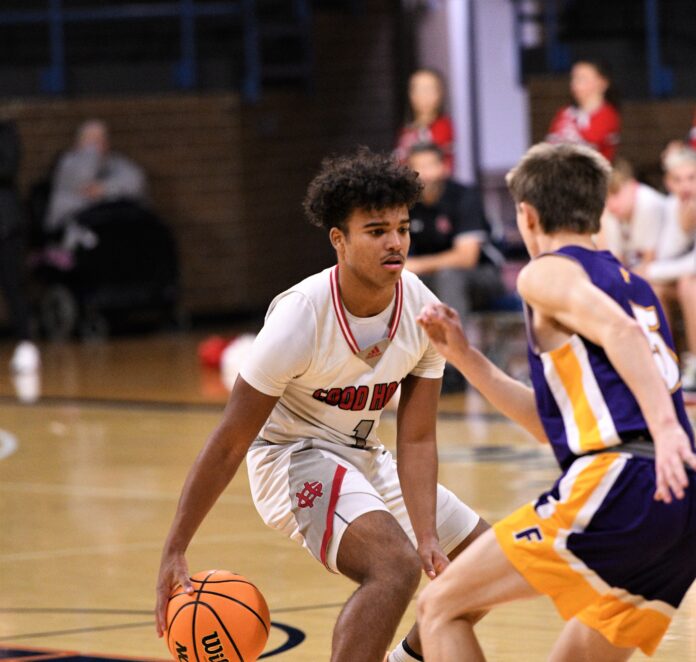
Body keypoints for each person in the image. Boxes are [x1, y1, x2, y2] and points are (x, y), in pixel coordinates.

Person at [155, 148, 488, 662]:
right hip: (290, 457)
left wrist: (427, 533)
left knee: (485, 560)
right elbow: (231, 441)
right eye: (376, 231)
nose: (395, 242)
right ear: (339, 239)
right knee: (394, 567)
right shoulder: (300, 317)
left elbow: (418, 437)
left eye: (402, 228)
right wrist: (176, 546)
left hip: (363, 454)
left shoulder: (422, 309)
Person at [416, 143, 696, 661]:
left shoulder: (545, 271)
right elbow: (550, 427)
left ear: (527, 215)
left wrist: (666, 426)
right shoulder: (635, 285)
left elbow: (619, 333)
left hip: (623, 480)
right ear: (597, 208)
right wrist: (466, 358)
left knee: (439, 608)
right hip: (680, 503)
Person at [406, 143, 505, 319]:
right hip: (431, 277)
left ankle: (452, 337)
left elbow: (466, 258)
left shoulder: (464, 197)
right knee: (398, 280)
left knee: (449, 276)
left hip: (482, 276)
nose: (425, 174)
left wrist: (415, 265)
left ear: (444, 167)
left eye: (430, 166)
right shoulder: (407, 203)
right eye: (418, 168)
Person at [647, 147, 696, 392]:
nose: (685, 186)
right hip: (682, 277)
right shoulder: (668, 206)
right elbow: (666, 254)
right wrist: (682, 225)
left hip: (689, 281)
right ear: (668, 183)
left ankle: (694, 363)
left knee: (689, 285)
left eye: (692, 178)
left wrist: (649, 271)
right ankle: (667, 364)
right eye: (678, 179)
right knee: (655, 289)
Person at [44, 119, 146, 232]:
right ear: (77, 144)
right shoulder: (67, 163)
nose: (97, 146)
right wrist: (90, 153)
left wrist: (104, 189)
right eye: (90, 141)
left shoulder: (115, 162)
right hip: (69, 227)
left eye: (100, 140)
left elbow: (135, 182)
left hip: (109, 225)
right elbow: (83, 181)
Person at [0, 118, 40, 373]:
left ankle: (26, 344)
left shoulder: (6, 132)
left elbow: (7, 168)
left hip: (6, 225)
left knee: (14, 287)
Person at [597, 158, 665, 271]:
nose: (611, 203)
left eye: (616, 193)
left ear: (633, 186)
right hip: (638, 262)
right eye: (606, 197)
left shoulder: (648, 203)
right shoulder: (611, 210)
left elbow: (650, 259)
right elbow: (617, 258)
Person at [546, 60, 621, 162]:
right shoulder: (565, 113)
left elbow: (590, 152)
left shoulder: (608, 116)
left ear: (602, 83)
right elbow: (549, 148)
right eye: (573, 78)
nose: (574, 83)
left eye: (582, 78)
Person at [395, 68, 454, 170]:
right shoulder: (406, 130)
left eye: (429, 89)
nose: (423, 95)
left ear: (440, 93)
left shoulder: (445, 128)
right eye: (417, 89)